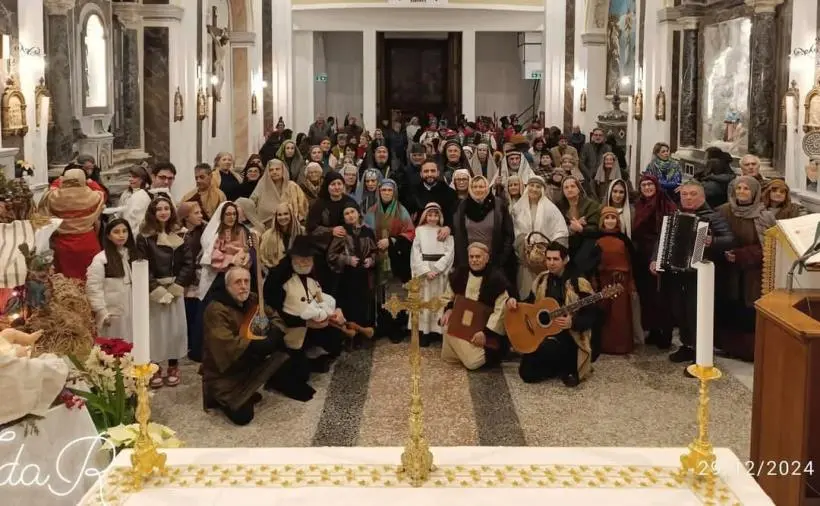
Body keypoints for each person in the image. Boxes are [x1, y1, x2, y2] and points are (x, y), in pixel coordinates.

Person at [650, 181, 734, 370]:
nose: (688, 197)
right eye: (684, 194)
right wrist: (656, 259)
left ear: (702, 196)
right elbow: (661, 240)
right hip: (678, 273)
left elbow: (730, 239)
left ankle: (701, 354)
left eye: (693, 194)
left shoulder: (713, 217)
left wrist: (712, 241)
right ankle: (687, 346)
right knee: (680, 310)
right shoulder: (674, 216)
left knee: (697, 313)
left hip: (702, 275)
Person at [264, 235, 346, 401]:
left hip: (314, 319)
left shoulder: (315, 270)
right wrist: (304, 322)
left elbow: (324, 293)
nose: (304, 263)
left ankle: (310, 359)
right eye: (300, 258)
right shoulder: (278, 276)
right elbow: (274, 312)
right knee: (300, 376)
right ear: (292, 257)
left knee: (336, 340)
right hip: (289, 327)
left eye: (308, 259)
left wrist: (334, 310)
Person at [201, 266, 287, 425]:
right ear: (227, 286)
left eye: (246, 281)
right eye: (237, 282)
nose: (243, 286)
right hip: (224, 371)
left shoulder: (254, 299)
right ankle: (218, 395)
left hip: (246, 363)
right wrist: (256, 344)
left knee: (282, 353)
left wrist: (274, 333)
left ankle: (244, 390)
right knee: (243, 417)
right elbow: (225, 343)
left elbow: (274, 316)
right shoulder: (216, 309)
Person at [507, 242, 598, 387]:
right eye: (548, 259)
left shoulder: (577, 282)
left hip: (570, 336)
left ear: (565, 260)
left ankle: (568, 367)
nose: (551, 263)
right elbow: (530, 303)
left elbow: (592, 315)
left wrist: (572, 322)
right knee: (527, 375)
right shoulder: (542, 280)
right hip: (544, 333)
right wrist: (514, 303)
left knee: (548, 349)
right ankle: (558, 367)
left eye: (555, 259)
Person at [714, 176, 775, 361]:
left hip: (752, 274)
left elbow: (770, 246)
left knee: (747, 311)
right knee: (727, 307)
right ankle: (726, 346)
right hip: (727, 272)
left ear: (755, 192)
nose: (741, 191)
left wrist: (743, 255)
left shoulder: (764, 216)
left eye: (746, 189)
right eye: (738, 188)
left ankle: (749, 351)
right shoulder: (723, 211)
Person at [136, 196, 194, 388]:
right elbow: (142, 265)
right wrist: (157, 290)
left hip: (175, 289)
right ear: (152, 213)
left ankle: (173, 365)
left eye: (166, 208)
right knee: (156, 331)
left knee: (174, 330)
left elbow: (188, 263)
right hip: (155, 291)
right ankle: (155, 367)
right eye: (159, 209)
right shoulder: (144, 236)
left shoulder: (181, 234)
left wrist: (178, 286)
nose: (163, 212)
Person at [439, 243, 510, 370]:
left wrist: (485, 333)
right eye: (471, 257)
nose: (474, 260)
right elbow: (448, 296)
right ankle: (463, 352)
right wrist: (449, 309)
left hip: (483, 333)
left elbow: (500, 311)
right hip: (462, 326)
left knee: (473, 363)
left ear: (486, 258)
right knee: (446, 324)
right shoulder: (460, 274)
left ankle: (468, 354)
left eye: (478, 257)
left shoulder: (496, 279)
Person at [39, 168, 106, 280]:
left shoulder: (54, 197)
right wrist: (90, 182)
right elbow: (102, 193)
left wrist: (58, 181)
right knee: (91, 278)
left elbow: (46, 198)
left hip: (62, 244)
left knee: (65, 281)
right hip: (87, 242)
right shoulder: (93, 196)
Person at [327, 202, 378, 348]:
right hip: (346, 278)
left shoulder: (367, 231)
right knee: (349, 307)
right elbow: (331, 256)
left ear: (358, 213)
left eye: (352, 212)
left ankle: (363, 335)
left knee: (363, 306)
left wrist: (372, 260)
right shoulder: (342, 233)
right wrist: (347, 260)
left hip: (364, 277)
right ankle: (350, 337)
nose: (350, 216)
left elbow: (375, 252)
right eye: (347, 213)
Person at [86, 219, 138, 342]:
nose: (121, 235)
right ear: (109, 236)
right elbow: (93, 288)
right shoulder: (101, 259)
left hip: (132, 312)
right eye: (116, 232)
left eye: (124, 231)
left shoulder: (132, 256)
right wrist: (102, 312)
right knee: (113, 349)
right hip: (112, 315)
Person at [410, 202, 455, 346]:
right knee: (425, 300)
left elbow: (449, 252)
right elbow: (415, 253)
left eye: (436, 215)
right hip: (425, 271)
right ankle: (425, 331)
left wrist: (436, 269)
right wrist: (425, 270)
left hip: (439, 271)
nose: (433, 218)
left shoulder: (444, 232)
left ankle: (439, 330)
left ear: (440, 216)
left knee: (438, 300)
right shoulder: (419, 231)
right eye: (429, 215)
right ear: (425, 216)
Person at [594, 207, 637, 354]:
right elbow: (592, 262)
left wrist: (630, 283)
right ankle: (605, 345)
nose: (610, 221)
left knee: (620, 315)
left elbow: (630, 262)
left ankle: (621, 346)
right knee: (604, 312)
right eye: (607, 218)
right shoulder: (596, 239)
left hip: (621, 281)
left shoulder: (623, 239)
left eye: (613, 218)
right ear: (602, 221)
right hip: (603, 280)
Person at [251, 158, 309, 227]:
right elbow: (251, 203)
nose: (274, 172)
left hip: (292, 227)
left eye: (277, 169)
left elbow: (303, 207)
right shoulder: (262, 186)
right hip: (267, 229)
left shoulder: (293, 186)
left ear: (283, 170)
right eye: (271, 170)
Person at [259, 203, 304, 272]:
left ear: (291, 215)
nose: (282, 217)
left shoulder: (302, 232)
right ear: (275, 217)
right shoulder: (267, 236)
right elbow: (263, 257)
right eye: (279, 215)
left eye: (286, 214)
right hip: (276, 272)